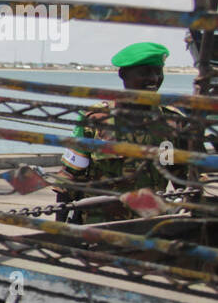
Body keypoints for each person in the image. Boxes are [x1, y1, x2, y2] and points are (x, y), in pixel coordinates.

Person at [56, 41, 190, 224]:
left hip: (152, 225)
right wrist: (60, 226)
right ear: (123, 75)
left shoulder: (172, 122)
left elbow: (182, 178)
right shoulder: (96, 119)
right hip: (101, 226)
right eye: (144, 72)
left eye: (158, 71)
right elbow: (69, 178)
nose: (153, 78)